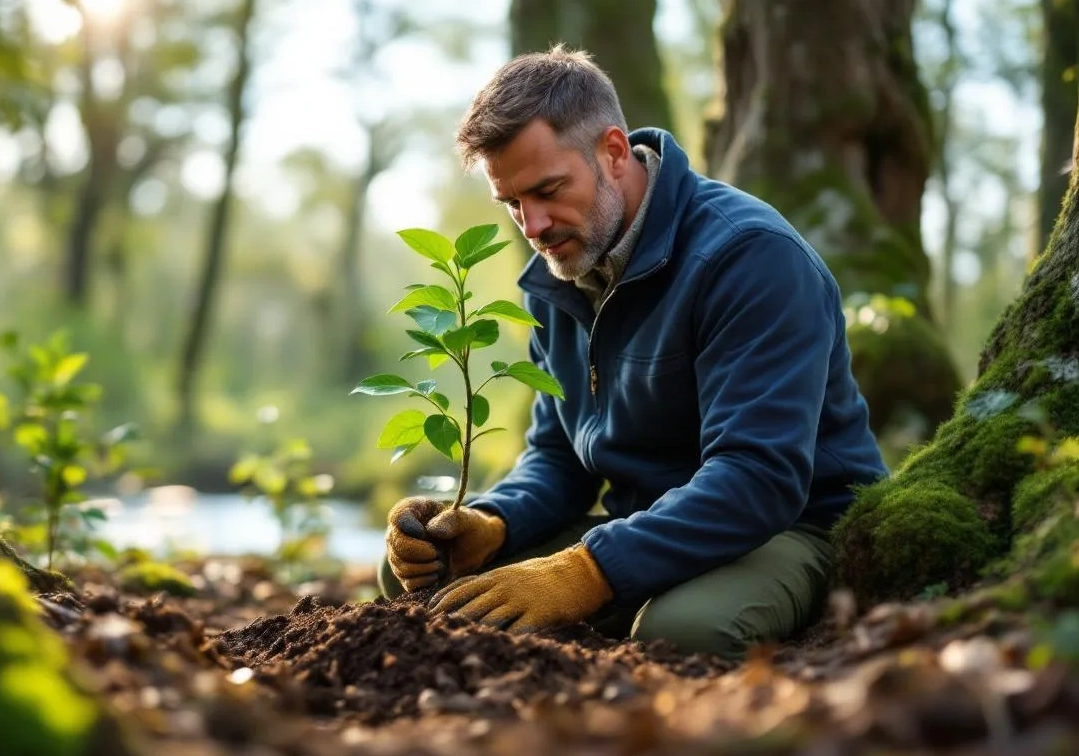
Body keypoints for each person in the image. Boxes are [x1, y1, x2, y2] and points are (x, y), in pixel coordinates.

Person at [378, 46, 889, 660]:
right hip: (646, 527)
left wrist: (585, 573)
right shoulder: (560, 275)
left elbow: (759, 479)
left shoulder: (749, 257)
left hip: (789, 526)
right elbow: (559, 459)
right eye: (512, 204)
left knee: (683, 633)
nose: (533, 226)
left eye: (547, 190)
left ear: (614, 152)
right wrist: (492, 523)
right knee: (425, 577)